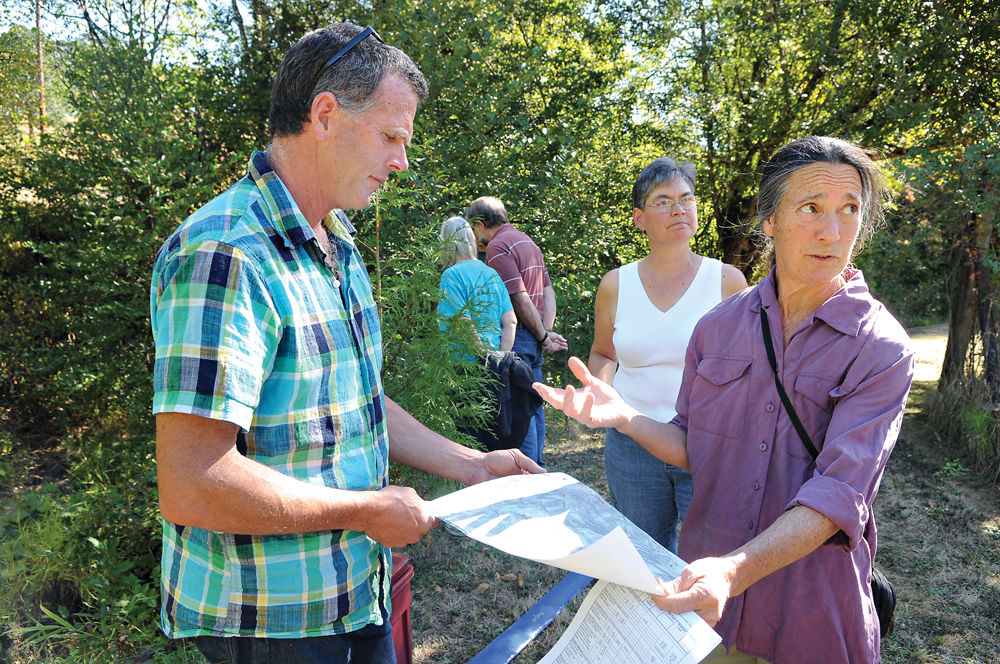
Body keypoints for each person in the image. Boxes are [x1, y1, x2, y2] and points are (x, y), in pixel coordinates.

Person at [150, 23, 542, 664]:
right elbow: (193, 482)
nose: (402, 161)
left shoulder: (340, 248)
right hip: (270, 623)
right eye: (391, 136)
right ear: (325, 115)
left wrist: (470, 466)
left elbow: (360, 405)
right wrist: (365, 510)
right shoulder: (225, 252)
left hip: (356, 596)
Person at [536, 136, 914, 663]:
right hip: (711, 614)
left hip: (811, 613)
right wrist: (624, 416)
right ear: (769, 221)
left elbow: (837, 495)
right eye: (811, 208)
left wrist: (732, 570)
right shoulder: (717, 328)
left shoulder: (880, 347)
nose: (833, 232)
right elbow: (693, 447)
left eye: (849, 210)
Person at [589, 158, 747, 553]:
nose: (678, 209)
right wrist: (602, 392)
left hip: (706, 447)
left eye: (686, 199)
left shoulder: (728, 281)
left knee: (707, 562)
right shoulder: (615, 284)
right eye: (663, 202)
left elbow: (748, 370)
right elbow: (603, 352)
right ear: (639, 218)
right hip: (632, 444)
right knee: (645, 560)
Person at [467, 196, 568, 467]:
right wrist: (545, 332)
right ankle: (538, 468)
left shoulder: (497, 247)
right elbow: (548, 292)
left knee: (518, 413)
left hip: (519, 338)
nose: (472, 239)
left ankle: (527, 472)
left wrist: (543, 336)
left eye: (472, 231)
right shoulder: (527, 241)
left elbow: (519, 297)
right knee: (534, 406)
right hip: (533, 337)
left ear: (479, 225)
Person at [437, 216, 516, 354]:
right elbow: (510, 321)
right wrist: (499, 359)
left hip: (463, 365)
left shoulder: (452, 275)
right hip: (494, 368)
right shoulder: (492, 274)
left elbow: (463, 323)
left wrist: (483, 357)